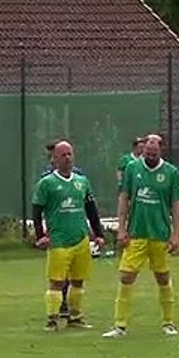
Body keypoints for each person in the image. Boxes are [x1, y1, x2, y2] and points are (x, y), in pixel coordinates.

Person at [103, 136, 179, 338]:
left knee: (163, 277)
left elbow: (176, 204)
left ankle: (168, 323)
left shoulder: (171, 173)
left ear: (161, 151)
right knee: (126, 276)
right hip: (137, 233)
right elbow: (124, 198)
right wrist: (121, 228)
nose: (150, 156)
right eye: (147, 152)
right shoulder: (132, 168)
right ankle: (120, 325)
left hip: (160, 234)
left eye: (154, 153)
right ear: (142, 150)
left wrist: (175, 235)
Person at [32, 141, 105, 331]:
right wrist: (40, 236)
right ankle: (52, 319)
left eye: (70, 154)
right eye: (63, 155)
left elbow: (91, 209)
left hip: (80, 237)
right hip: (59, 240)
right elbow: (37, 211)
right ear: (54, 159)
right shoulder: (46, 183)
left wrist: (98, 233)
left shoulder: (82, 181)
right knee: (56, 281)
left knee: (78, 280)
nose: (67, 158)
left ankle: (76, 317)